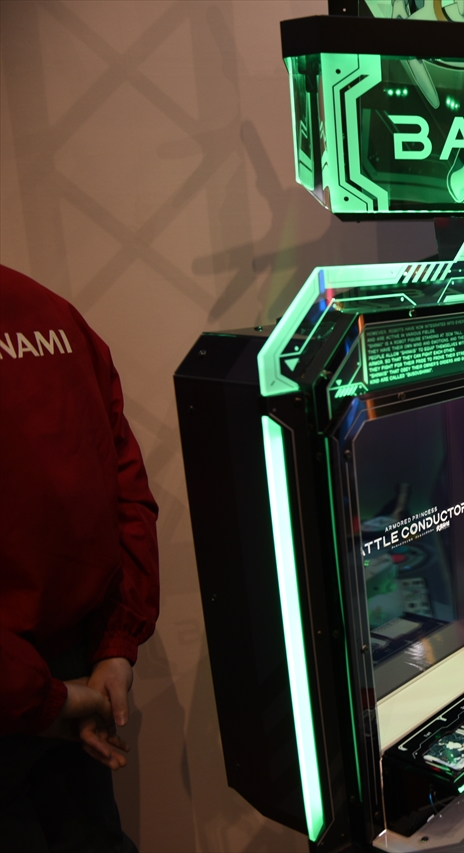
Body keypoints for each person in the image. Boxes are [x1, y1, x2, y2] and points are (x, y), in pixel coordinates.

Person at [0, 264, 159, 853]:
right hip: (71, 672)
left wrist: (53, 698)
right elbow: (126, 488)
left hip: (38, 690)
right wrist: (114, 645)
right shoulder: (50, 313)